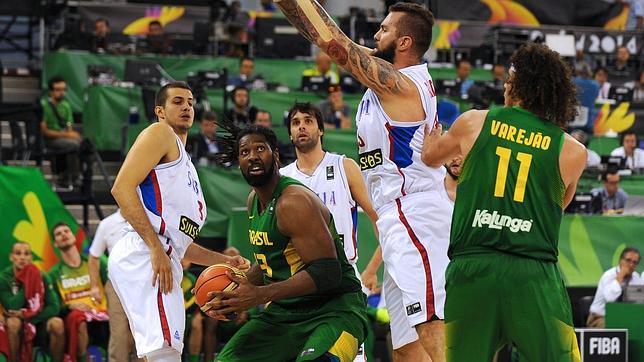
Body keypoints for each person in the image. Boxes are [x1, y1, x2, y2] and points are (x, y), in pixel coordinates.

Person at [276, 1, 449, 360]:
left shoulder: (400, 84)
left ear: (403, 43)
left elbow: (333, 43)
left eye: (384, 29)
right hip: (395, 216)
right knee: (405, 347)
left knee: (432, 326)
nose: (375, 34)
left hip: (415, 212)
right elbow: (327, 37)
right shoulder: (391, 75)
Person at [422, 43, 585, 361]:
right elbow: (558, 206)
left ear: (519, 87)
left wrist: (431, 140)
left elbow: (431, 158)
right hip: (533, 273)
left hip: (472, 269)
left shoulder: (473, 122)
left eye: (509, 81)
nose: (505, 87)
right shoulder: (572, 150)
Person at [108, 82, 249, 361]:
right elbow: (120, 188)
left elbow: (181, 244)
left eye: (191, 102)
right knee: (165, 354)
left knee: (160, 353)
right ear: (159, 111)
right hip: (146, 253)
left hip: (161, 254)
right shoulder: (161, 133)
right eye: (178, 101)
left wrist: (223, 260)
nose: (187, 107)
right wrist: (155, 248)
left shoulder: (187, 166)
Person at [204, 124, 368, 361]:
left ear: (276, 157)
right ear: (238, 162)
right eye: (245, 152)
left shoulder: (293, 202)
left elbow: (328, 273)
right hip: (285, 314)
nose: (252, 156)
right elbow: (271, 262)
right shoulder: (253, 202)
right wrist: (233, 294)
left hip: (335, 310)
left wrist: (259, 295)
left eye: (260, 148)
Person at [280, 103, 380, 361]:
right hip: (300, 284)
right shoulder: (281, 179)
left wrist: (372, 269)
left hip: (342, 278)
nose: (301, 126)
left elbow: (378, 217)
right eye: (295, 122)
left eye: (308, 120)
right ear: (290, 134)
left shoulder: (344, 167)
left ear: (321, 129)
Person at [49, 222, 109, 362]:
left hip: (103, 312)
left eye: (66, 231)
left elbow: (113, 282)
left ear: (74, 237)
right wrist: (69, 306)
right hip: (75, 317)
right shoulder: (53, 274)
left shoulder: (95, 261)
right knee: (78, 318)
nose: (63, 234)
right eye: (58, 234)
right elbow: (54, 306)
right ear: (56, 244)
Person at [88, 210, 142, 362]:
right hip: (116, 283)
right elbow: (93, 257)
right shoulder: (106, 224)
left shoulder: (147, 218)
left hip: (143, 283)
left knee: (143, 331)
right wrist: (94, 287)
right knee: (119, 333)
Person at [0, 242, 64, 362]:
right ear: (11, 257)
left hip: (38, 322)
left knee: (57, 323)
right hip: (16, 325)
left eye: (27, 254)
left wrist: (27, 316)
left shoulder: (42, 276)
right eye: (18, 253)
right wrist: (27, 283)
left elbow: (54, 307)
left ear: (31, 258)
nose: (22, 257)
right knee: (13, 322)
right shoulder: (4, 278)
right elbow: (11, 306)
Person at [40, 76, 82, 190]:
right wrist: (67, 135)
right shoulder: (43, 105)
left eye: (64, 89)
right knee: (73, 145)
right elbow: (44, 132)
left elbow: (69, 125)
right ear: (51, 91)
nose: (61, 92)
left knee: (85, 145)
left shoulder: (66, 105)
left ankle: (77, 175)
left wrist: (71, 134)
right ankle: (73, 178)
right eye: (58, 89)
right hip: (49, 139)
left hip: (63, 137)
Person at [587, 247, 642, 328]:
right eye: (628, 260)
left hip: (625, 318)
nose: (631, 265)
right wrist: (620, 277)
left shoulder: (636, 277)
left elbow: (639, 301)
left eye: (635, 262)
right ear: (620, 260)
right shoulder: (608, 275)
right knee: (615, 327)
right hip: (599, 318)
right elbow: (610, 298)